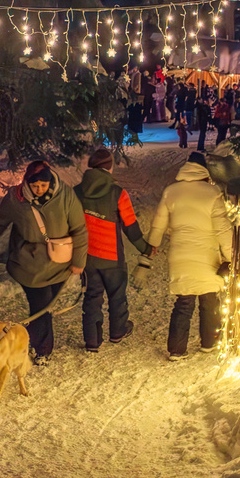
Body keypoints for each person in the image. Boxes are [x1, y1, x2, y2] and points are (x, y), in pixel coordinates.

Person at [0, 160, 87, 364]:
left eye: (43, 186)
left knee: (45, 306)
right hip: (28, 262)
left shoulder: (65, 195)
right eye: (34, 186)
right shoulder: (16, 198)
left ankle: (28, 337)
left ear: (50, 181)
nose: (39, 190)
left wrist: (79, 260)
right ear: (26, 183)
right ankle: (43, 351)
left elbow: (79, 229)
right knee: (42, 307)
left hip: (59, 261)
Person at [147, 152, 234, 359]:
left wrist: (152, 245)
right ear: (205, 171)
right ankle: (209, 342)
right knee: (210, 300)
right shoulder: (212, 193)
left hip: (180, 254)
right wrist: (231, 257)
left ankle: (177, 350)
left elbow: (159, 222)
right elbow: (222, 229)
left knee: (184, 302)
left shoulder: (171, 191)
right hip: (207, 257)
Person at [74, 147, 152, 352]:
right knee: (117, 296)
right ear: (109, 167)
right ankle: (117, 332)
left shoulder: (76, 192)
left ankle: (92, 341)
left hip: (87, 257)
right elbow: (130, 226)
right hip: (112, 257)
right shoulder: (118, 193)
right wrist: (145, 248)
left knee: (92, 297)